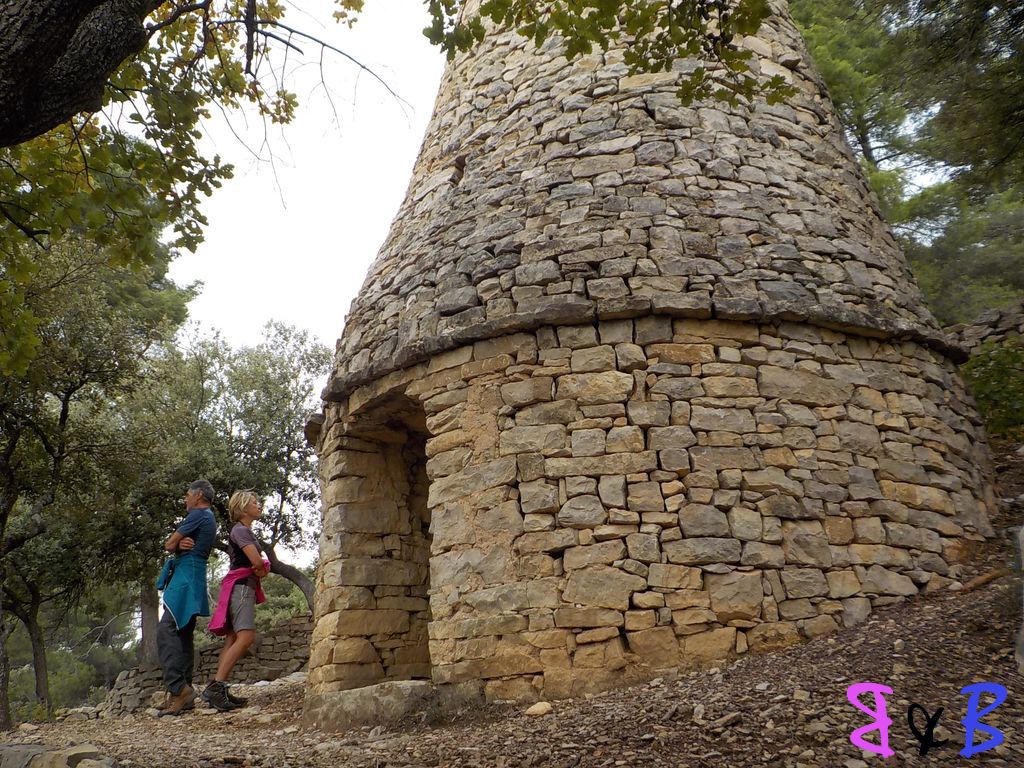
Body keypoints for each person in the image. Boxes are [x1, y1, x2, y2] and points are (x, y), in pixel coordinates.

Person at [155, 478, 218, 716]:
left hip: (185, 577)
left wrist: (177, 543)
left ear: (199, 494)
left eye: (187, 494)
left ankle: (178, 687)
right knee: (182, 634)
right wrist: (180, 544)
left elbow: (168, 544)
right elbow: (175, 545)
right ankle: (184, 692)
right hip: (195, 575)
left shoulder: (199, 515)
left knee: (166, 630)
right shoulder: (208, 518)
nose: (185, 499)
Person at [202, 490, 269, 711]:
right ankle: (216, 687)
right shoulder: (241, 531)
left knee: (232, 638)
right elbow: (256, 562)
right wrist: (261, 569)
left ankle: (217, 687)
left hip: (238, 588)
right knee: (246, 636)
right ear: (242, 507)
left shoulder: (243, 531)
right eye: (254, 502)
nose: (259, 505)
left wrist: (259, 568)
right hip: (241, 589)